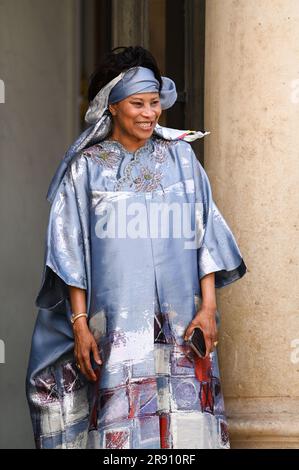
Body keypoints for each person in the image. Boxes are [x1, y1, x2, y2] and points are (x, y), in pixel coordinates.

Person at [26, 46, 247, 449]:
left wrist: (209, 308)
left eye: (154, 102)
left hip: (183, 325)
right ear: (111, 107)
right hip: (115, 330)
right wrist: (79, 326)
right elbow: (69, 252)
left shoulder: (181, 157)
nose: (150, 113)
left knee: (186, 428)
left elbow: (205, 235)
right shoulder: (86, 168)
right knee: (120, 433)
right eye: (138, 103)